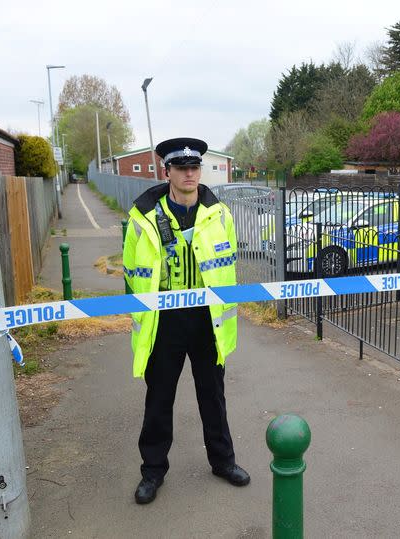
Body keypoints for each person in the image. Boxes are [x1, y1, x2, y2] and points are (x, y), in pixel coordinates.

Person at [123, 137, 249, 505]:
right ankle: (152, 471)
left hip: (208, 319)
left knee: (213, 395)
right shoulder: (143, 217)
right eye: (181, 168)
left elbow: (229, 266)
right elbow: (131, 270)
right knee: (159, 398)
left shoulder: (219, 214)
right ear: (168, 172)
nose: (190, 173)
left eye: (195, 167)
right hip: (165, 320)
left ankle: (223, 461)